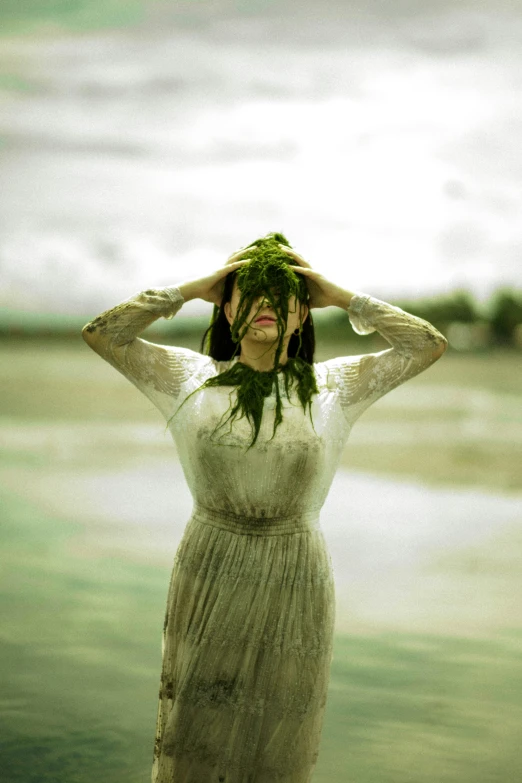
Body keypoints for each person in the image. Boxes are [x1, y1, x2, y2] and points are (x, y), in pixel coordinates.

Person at [82, 232, 448, 783]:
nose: (267, 308)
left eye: (283, 296)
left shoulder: (333, 387)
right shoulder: (191, 379)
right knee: (198, 721)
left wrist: (340, 295)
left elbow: (426, 345)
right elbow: (102, 334)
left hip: (295, 572)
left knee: (278, 726)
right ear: (226, 310)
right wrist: (193, 288)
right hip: (211, 563)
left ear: (304, 313)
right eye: (249, 294)